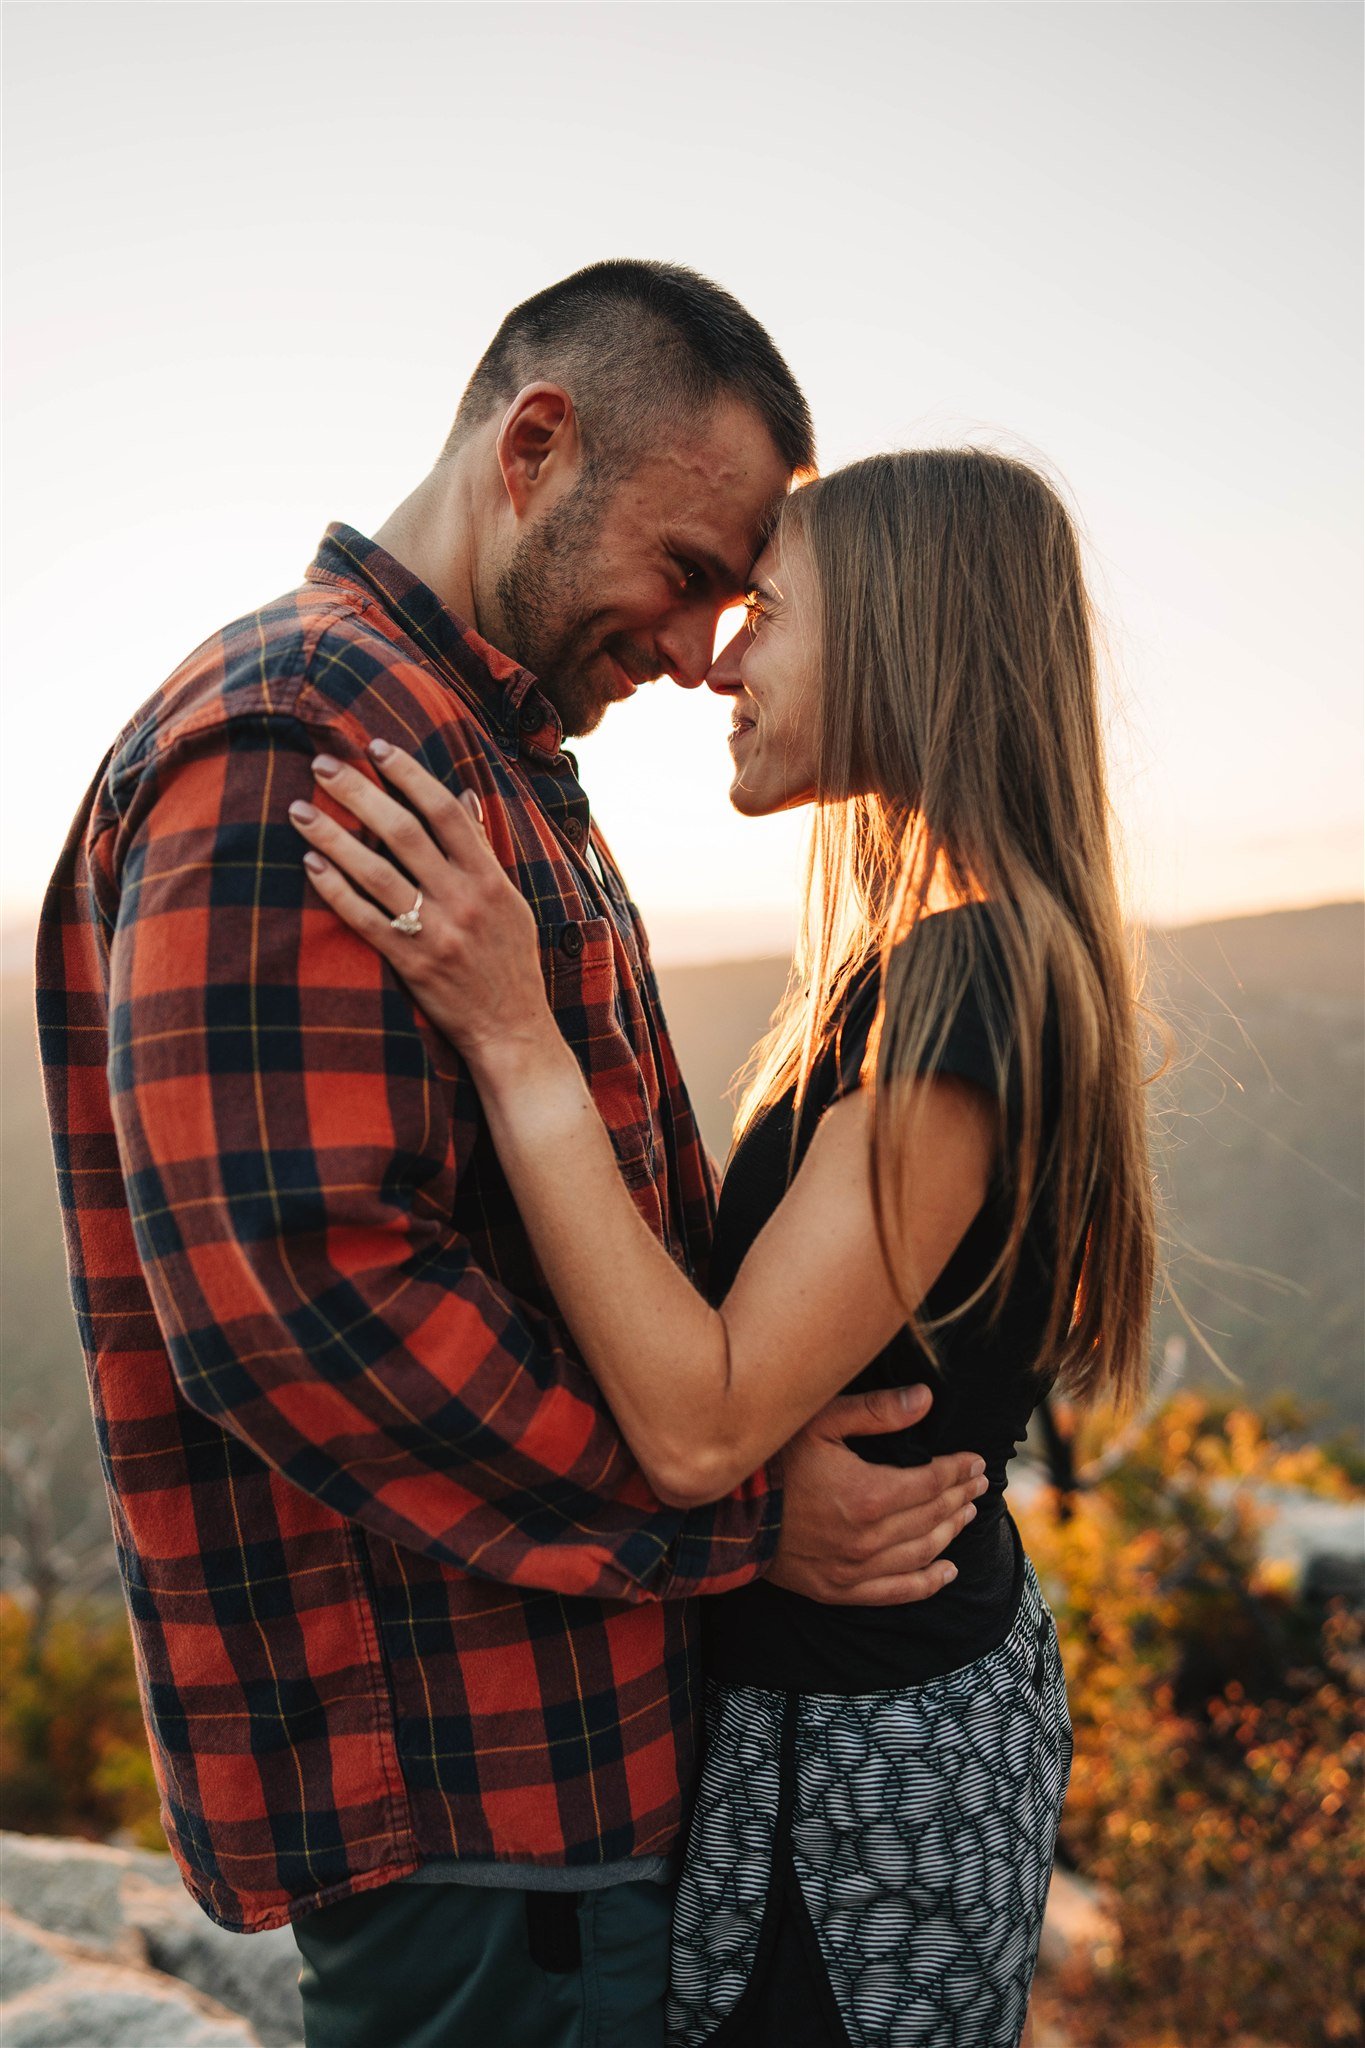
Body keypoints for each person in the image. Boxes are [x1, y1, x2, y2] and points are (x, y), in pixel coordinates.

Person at [34, 263, 985, 2048]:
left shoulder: (472, 737)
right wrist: (738, 1523)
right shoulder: (300, 740)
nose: (701, 645)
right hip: (471, 1799)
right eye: (688, 574)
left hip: (562, 1772)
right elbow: (306, 1310)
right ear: (535, 447)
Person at [291, 446, 1157, 2047]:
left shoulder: (973, 983)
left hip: (858, 1758)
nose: (722, 660)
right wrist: (767, 1519)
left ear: (905, 639)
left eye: (770, 609)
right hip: (848, 1707)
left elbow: (701, 1420)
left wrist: (512, 1033)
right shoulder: (950, 959)